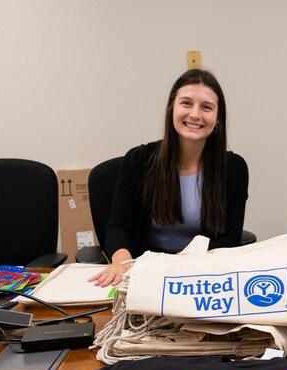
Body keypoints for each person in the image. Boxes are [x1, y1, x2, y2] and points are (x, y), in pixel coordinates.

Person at [91, 69, 248, 287]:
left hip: (201, 276)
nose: (195, 114)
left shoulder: (234, 168)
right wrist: (120, 262)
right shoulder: (138, 160)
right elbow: (119, 226)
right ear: (171, 109)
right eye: (186, 103)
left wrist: (182, 266)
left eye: (206, 107)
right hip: (145, 273)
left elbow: (229, 239)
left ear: (217, 118)